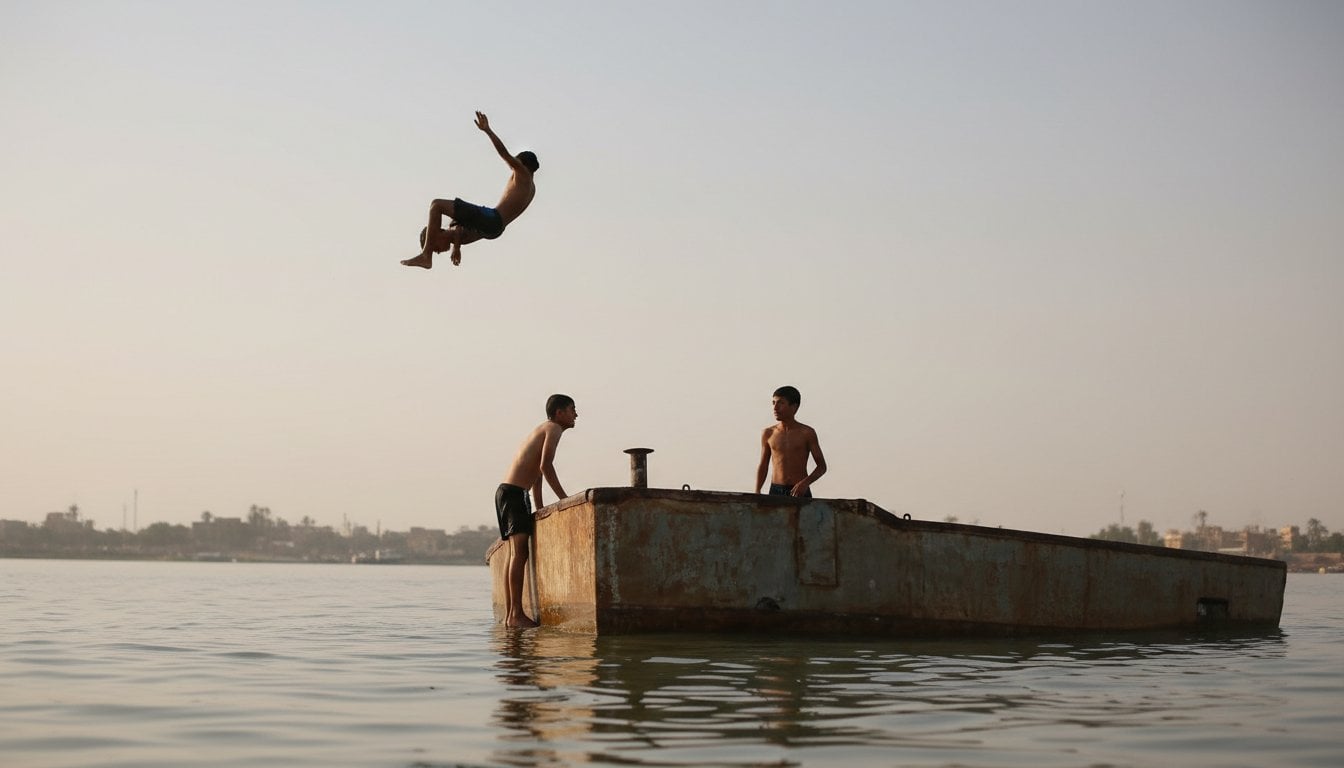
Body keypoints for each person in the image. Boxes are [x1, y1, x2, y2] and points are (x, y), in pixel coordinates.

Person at [401, 111, 539, 269]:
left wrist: (488, 130)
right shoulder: (531, 188)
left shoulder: (522, 175)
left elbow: (504, 153)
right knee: (441, 209)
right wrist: (457, 246)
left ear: (522, 164)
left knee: (436, 205)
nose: (510, 167)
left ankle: (426, 256)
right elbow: (457, 231)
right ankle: (426, 255)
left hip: (493, 219)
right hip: (495, 226)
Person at [495, 394, 578, 628]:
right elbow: (545, 465)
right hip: (514, 494)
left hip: (510, 492)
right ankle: (515, 615)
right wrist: (564, 499)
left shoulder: (542, 429)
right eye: (572, 409)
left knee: (515, 555)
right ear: (559, 412)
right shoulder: (553, 428)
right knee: (519, 554)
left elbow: (536, 475)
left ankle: (512, 616)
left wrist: (540, 508)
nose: (576, 415)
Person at [755, 386, 827, 498]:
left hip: (799, 491)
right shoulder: (768, 433)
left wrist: (805, 483)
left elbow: (822, 467)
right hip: (776, 490)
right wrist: (757, 491)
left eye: (781, 403)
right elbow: (763, 465)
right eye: (773, 403)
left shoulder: (806, 433)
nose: (775, 408)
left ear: (794, 407)